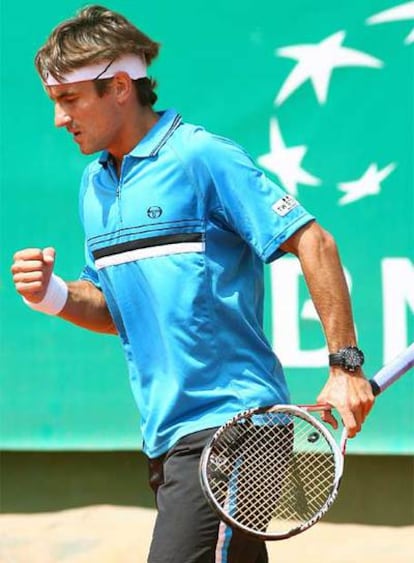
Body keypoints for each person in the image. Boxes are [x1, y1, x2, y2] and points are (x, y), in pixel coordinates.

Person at [11, 5, 374, 562]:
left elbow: (315, 242)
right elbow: (112, 308)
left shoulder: (201, 156)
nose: (61, 119)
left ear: (121, 87)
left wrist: (345, 365)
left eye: (69, 100)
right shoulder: (94, 184)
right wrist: (52, 295)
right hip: (167, 438)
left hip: (234, 430)